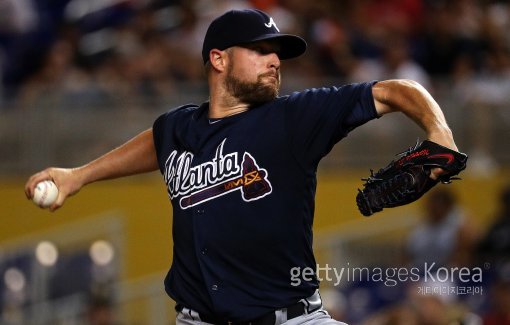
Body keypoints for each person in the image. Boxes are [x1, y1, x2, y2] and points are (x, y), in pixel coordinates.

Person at [25, 9, 461, 325]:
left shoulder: (295, 118)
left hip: (291, 319)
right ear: (219, 60)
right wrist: (77, 175)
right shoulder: (178, 127)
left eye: (277, 53)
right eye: (259, 50)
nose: (274, 60)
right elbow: (157, 144)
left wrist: (438, 132)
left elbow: (393, 91)